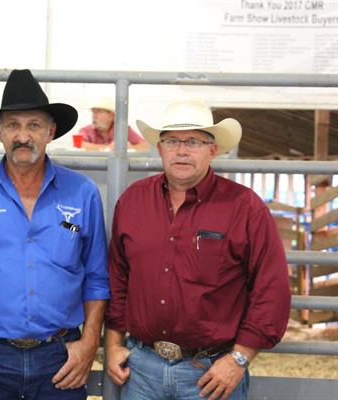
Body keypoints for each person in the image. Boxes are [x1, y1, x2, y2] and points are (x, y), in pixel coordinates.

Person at [0, 69, 110, 399]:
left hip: (60, 357)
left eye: (33, 125)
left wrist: (90, 343)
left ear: (51, 131)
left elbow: (97, 275)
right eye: (13, 125)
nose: (23, 135)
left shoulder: (81, 194)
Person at [105, 99, 291, 400]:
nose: (182, 150)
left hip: (212, 373)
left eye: (194, 141)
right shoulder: (132, 201)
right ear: (160, 148)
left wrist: (239, 359)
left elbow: (272, 288)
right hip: (142, 370)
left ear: (212, 150)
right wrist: (113, 345)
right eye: (172, 141)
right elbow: (118, 276)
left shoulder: (244, 208)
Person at [78, 96, 147, 150]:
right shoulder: (86, 130)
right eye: (93, 112)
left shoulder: (123, 130)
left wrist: (130, 148)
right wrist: (108, 147)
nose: (94, 116)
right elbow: (79, 144)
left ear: (111, 116)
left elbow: (146, 146)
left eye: (98, 112)